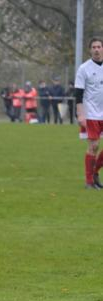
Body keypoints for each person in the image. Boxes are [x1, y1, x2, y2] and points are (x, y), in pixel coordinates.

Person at [75, 37, 103, 189]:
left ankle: (95, 171)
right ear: (90, 50)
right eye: (94, 47)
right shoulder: (84, 68)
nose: (97, 49)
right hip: (91, 113)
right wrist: (80, 114)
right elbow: (78, 93)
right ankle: (89, 182)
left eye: (99, 46)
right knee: (94, 146)